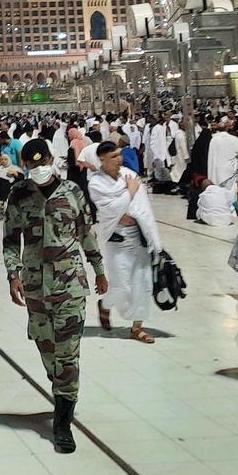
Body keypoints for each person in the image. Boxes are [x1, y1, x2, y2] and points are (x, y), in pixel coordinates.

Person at [3, 136, 106, 453]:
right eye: (32, 165)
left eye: (42, 162)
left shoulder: (72, 192)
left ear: (51, 160)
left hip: (70, 286)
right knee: (48, 351)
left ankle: (62, 422)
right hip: (35, 286)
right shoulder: (19, 196)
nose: (38, 168)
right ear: (26, 165)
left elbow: (85, 232)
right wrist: (13, 274)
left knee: (67, 355)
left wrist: (99, 268)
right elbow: (10, 239)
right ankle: (61, 389)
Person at [87, 141, 162, 344]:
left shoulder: (129, 174)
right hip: (117, 238)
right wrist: (129, 192)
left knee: (143, 282)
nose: (119, 159)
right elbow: (110, 209)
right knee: (122, 285)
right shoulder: (96, 183)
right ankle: (105, 304)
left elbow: (142, 206)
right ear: (102, 160)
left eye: (119, 154)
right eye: (113, 156)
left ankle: (137, 327)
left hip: (138, 235)